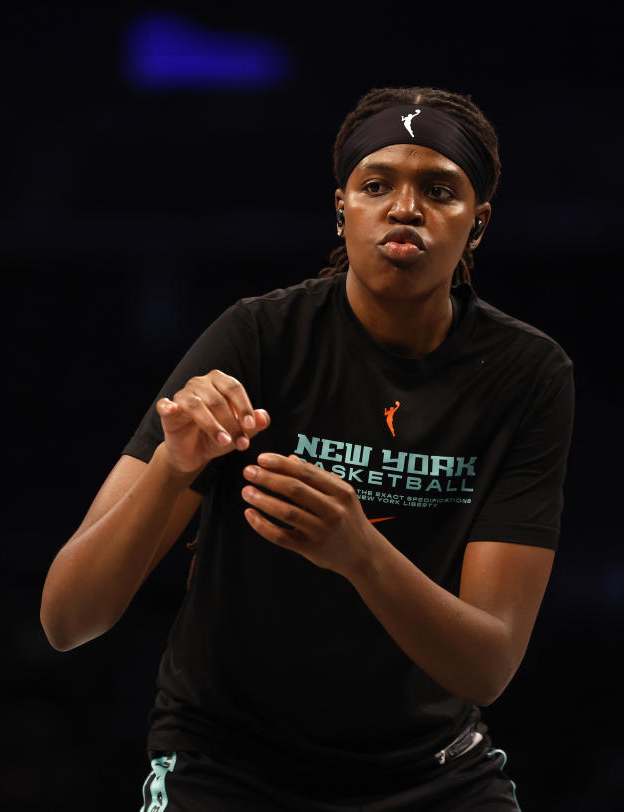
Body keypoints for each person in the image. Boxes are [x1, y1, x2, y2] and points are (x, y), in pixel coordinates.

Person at [40, 86, 574, 810]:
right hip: (229, 769)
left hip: (429, 773)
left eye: (439, 190)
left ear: (477, 225)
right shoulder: (259, 338)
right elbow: (69, 619)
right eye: (376, 184)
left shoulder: (527, 374)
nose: (405, 208)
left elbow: (487, 666)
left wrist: (358, 550)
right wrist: (175, 465)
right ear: (341, 208)